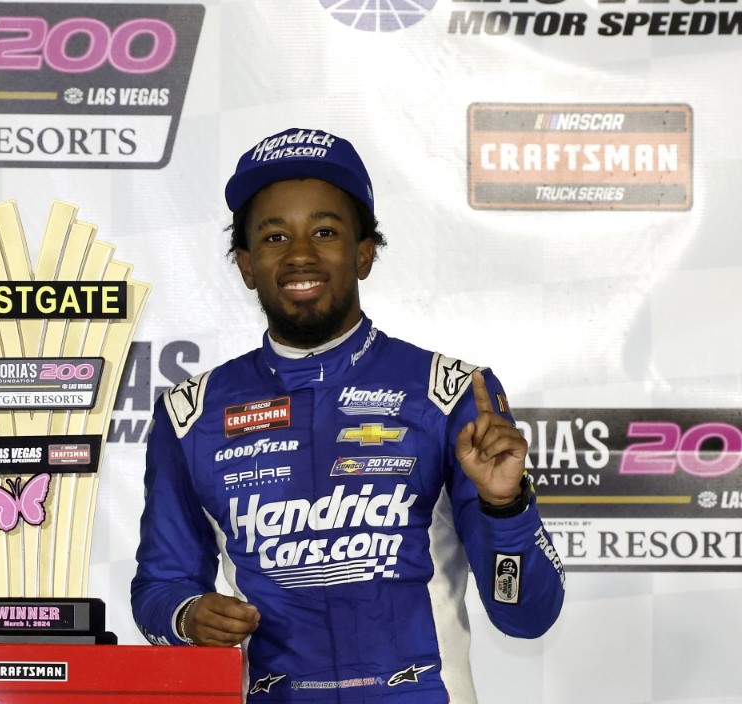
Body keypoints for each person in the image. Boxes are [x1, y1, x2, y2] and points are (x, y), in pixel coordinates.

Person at [131, 127, 566, 702]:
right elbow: (161, 587)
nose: (300, 254)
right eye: (275, 235)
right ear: (246, 264)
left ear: (364, 253)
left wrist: (505, 506)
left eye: (326, 231)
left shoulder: (450, 393)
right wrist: (189, 617)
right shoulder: (191, 413)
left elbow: (526, 616)